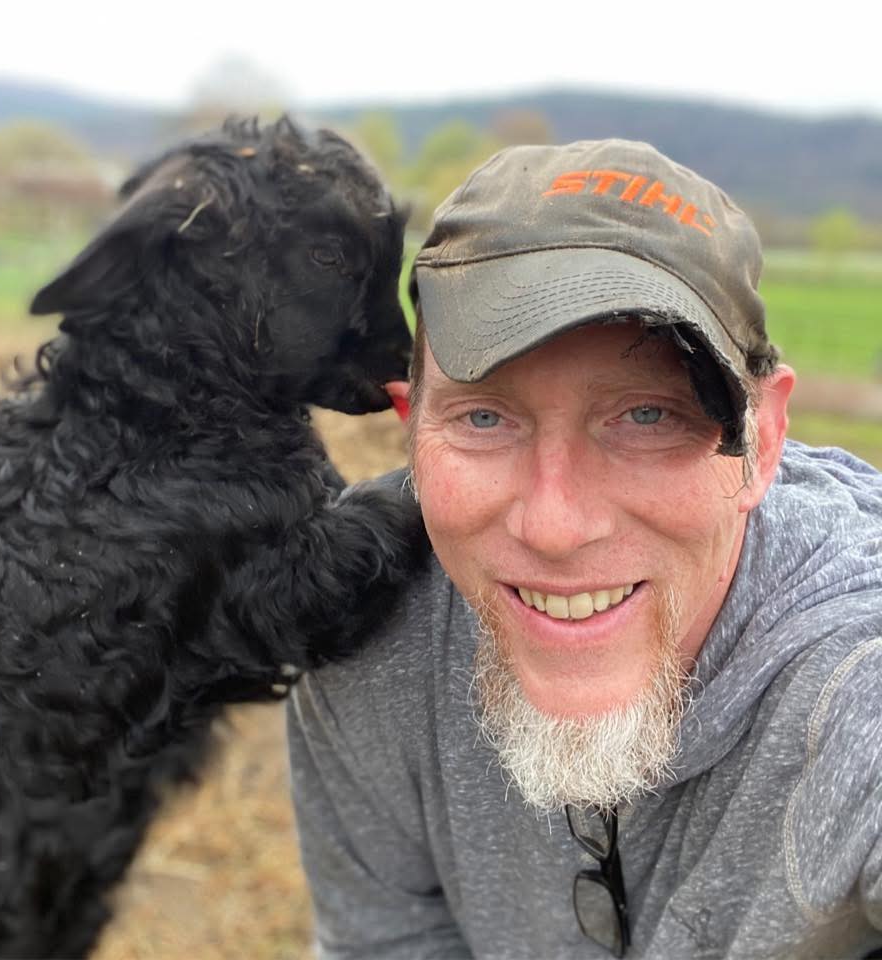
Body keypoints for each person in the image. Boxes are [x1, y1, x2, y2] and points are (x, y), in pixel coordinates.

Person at [286, 139, 882, 959]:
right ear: (412, 430)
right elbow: (387, 941)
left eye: (647, 416)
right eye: (485, 419)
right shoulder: (358, 625)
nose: (555, 525)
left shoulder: (854, 675)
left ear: (764, 438)